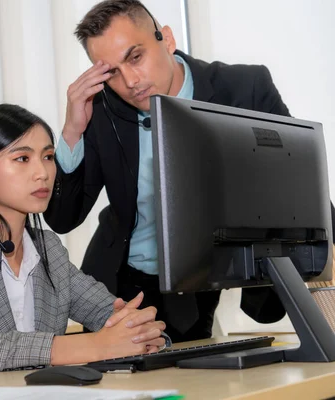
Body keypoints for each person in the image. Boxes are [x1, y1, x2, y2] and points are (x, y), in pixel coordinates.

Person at [43, 0, 294, 342]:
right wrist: (72, 130)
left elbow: (298, 180)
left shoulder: (242, 89)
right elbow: (63, 218)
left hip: (194, 287)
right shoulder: (99, 111)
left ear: (168, 39)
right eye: (111, 72)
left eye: (135, 57)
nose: (130, 81)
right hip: (117, 290)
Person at [0, 104, 168, 379]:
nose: (42, 172)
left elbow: (109, 312)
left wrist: (141, 330)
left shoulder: (49, 250)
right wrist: (90, 345)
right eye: (22, 158)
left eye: (48, 157)